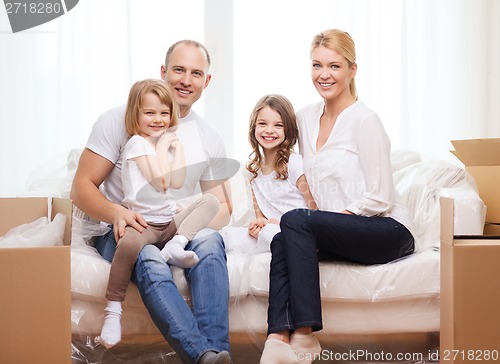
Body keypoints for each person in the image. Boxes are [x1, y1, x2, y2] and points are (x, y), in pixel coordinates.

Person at [71, 40, 233, 364]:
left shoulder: (208, 135)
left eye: (196, 73)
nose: (186, 80)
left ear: (207, 81)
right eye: (179, 70)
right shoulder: (121, 120)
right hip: (126, 229)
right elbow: (81, 187)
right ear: (163, 71)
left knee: (212, 242)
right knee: (147, 256)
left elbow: (223, 207)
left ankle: (217, 352)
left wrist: (187, 230)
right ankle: (201, 356)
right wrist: (117, 212)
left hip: (173, 225)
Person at [260, 29, 416, 364]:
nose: (324, 75)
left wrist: (322, 223)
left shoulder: (365, 121)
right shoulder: (304, 117)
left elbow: (380, 198)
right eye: (317, 65)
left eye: (334, 66)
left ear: (352, 70)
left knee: (295, 223)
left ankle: (305, 334)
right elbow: (283, 160)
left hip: (385, 229)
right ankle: (277, 338)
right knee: (282, 238)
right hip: (336, 228)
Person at [99, 79, 220, 349]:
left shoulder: (162, 144)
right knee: (128, 244)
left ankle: (176, 246)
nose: (158, 120)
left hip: (167, 224)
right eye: (150, 113)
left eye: (164, 113)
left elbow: (176, 183)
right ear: (136, 115)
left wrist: (178, 149)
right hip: (145, 225)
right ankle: (113, 310)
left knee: (210, 201)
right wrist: (165, 146)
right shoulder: (136, 145)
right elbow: (161, 181)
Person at [221, 94, 316, 254]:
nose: (269, 130)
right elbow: (261, 217)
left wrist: (281, 224)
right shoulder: (254, 171)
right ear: (254, 127)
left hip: (296, 230)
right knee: (226, 236)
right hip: (270, 231)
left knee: (270, 235)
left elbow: (313, 209)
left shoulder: (293, 163)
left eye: (278, 125)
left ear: (288, 129)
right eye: (262, 124)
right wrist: (258, 225)